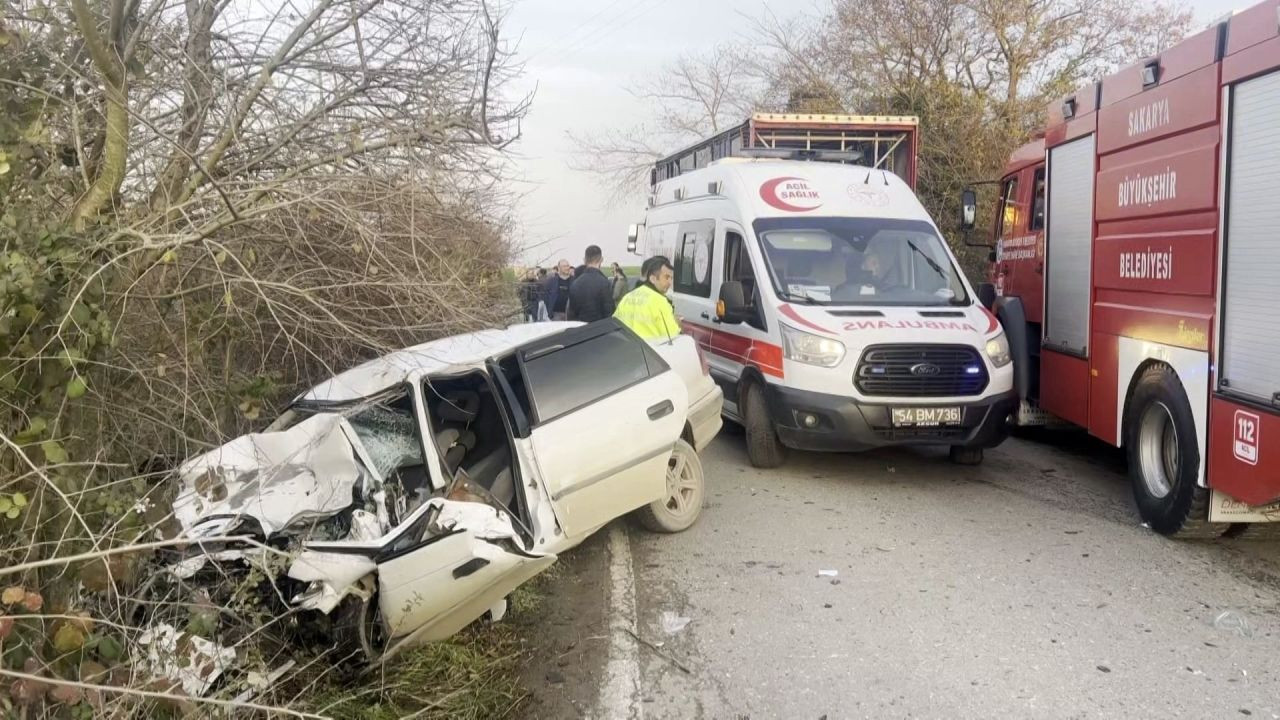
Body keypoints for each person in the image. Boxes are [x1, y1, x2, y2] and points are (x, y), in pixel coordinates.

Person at [614, 255, 680, 341]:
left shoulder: (627, 297)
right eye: (666, 277)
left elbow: (614, 324)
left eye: (671, 278)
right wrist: (678, 323)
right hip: (651, 352)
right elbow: (673, 336)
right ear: (652, 278)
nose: (670, 282)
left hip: (627, 350)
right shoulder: (661, 301)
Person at [567, 245, 615, 322]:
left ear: (585, 260)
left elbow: (571, 313)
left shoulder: (575, 283)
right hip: (599, 329)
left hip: (581, 329)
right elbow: (609, 312)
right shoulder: (604, 282)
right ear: (601, 259)